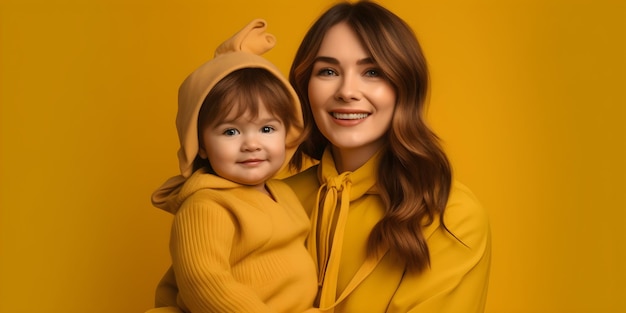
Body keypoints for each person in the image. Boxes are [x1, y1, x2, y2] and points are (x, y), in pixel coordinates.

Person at [284, 1, 492, 312]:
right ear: (304, 87)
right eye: (328, 71)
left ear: (404, 86)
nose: (347, 91)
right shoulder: (275, 200)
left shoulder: (451, 216)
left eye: (372, 71)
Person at [146, 19, 318, 313]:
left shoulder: (285, 195)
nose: (251, 144)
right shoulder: (206, 205)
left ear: (287, 133)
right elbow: (205, 283)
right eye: (231, 132)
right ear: (199, 144)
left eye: (266, 129)